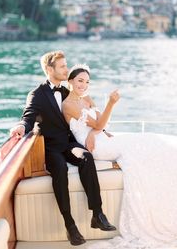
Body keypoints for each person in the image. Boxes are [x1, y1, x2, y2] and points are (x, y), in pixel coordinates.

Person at [62, 63, 177, 249]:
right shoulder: (68, 105)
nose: (84, 85)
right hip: (98, 148)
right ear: (70, 80)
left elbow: (101, 125)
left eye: (87, 82)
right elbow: (99, 123)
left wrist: (94, 132)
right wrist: (111, 104)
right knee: (144, 142)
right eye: (80, 81)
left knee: (149, 140)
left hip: (100, 138)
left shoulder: (86, 98)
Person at [9, 51, 116, 247]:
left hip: (69, 144)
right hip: (51, 148)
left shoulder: (68, 91)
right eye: (63, 67)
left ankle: (97, 214)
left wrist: (93, 133)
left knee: (86, 157)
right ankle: (70, 224)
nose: (67, 69)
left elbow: (88, 114)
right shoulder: (37, 94)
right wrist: (21, 127)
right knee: (60, 169)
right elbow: (29, 115)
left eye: (66, 66)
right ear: (50, 70)